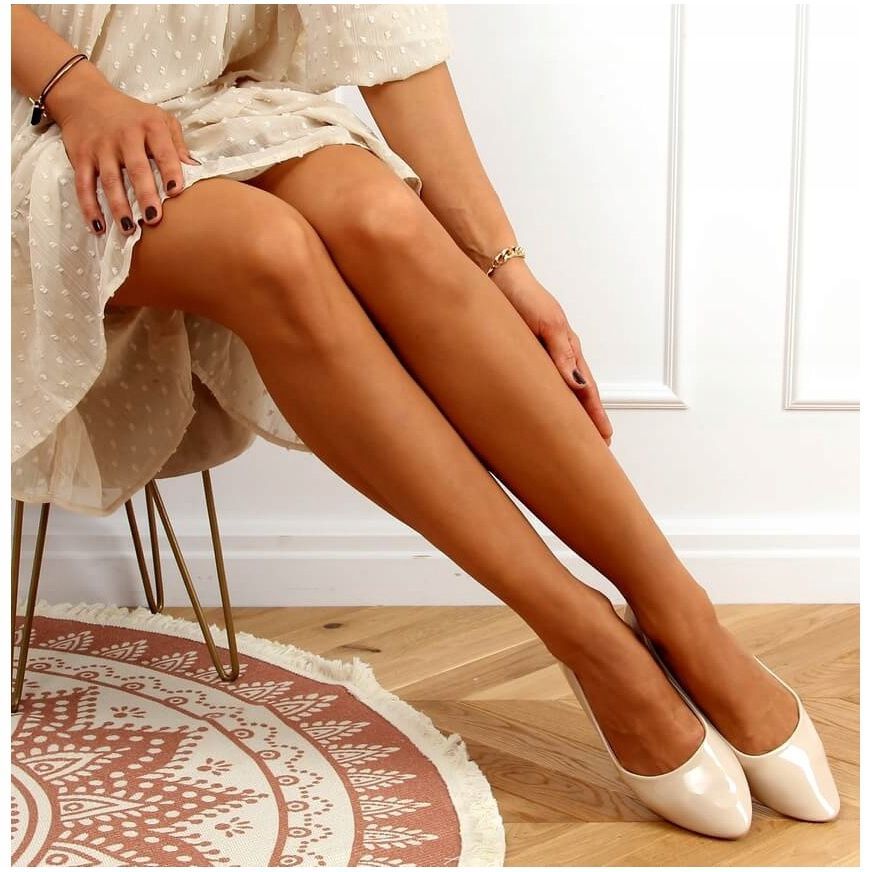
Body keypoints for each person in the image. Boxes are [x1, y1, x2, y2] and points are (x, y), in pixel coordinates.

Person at [11, 4, 839, 839]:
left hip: (202, 110)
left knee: (382, 216)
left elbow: (390, 42)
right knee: (271, 252)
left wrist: (507, 272)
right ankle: (589, 639)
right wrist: (80, 92)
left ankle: (682, 616)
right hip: (36, 115)